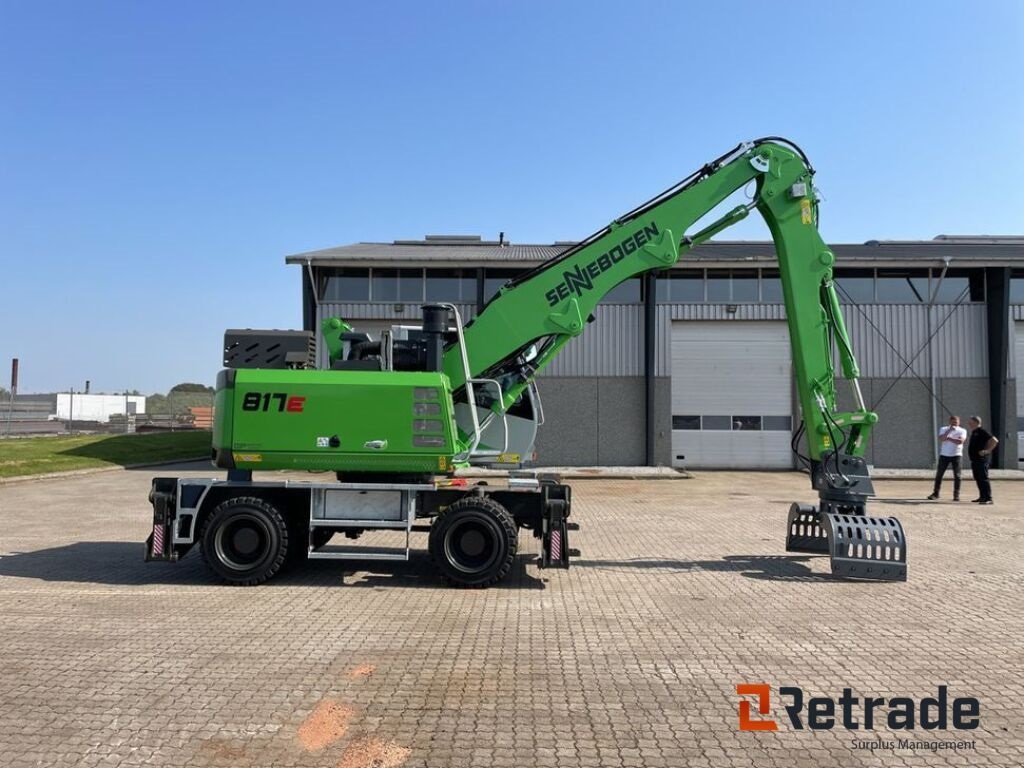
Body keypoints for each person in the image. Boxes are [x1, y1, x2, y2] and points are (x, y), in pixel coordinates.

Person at [927, 415, 966, 501]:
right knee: (939, 474)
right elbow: (942, 438)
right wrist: (949, 432)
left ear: (959, 422)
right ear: (950, 422)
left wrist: (949, 438)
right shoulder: (944, 429)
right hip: (944, 455)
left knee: (957, 476)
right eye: (953, 422)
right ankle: (936, 493)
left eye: (956, 422)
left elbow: (960, 441)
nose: (954, 424)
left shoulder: (962, 430)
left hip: (957, 455)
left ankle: (956, 495)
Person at [967, 415, 998, 504]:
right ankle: (982, 496)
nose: (969, 424)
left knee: (983, 478)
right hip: (974, 460)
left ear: (976, 422)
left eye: (971, 422)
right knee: (978, 478)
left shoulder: (982, 431)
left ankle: (988, 498)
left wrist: (987, 451)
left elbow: (994, 440)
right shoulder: (974, 432)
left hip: (981, 459)